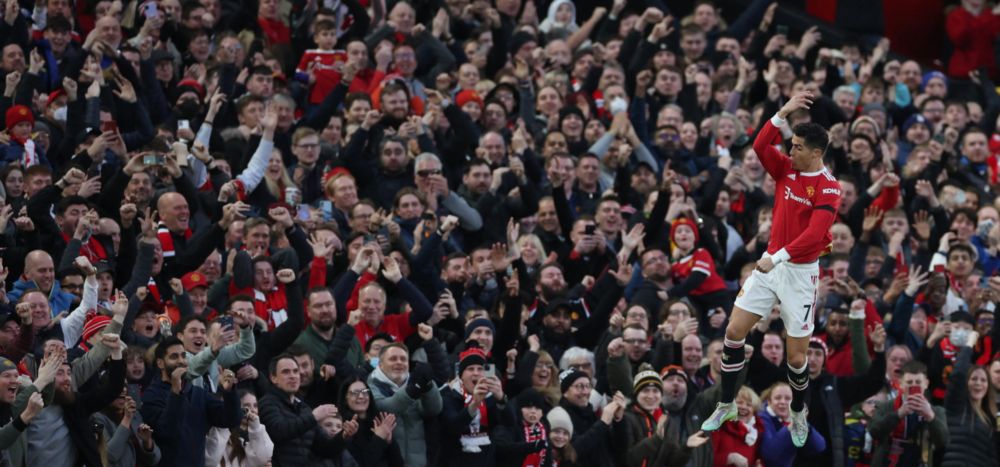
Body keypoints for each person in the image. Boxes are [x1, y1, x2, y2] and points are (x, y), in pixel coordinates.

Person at [703, 91, 843, 448]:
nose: (789, 150)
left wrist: (777, 257)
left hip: (798, 273)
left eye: (797, 147)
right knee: (734, 332)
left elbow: (814, 236)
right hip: (771, 265)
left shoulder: (828, 187)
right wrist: (783, 111)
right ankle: (726, 404)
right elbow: (759, 144)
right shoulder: (785, 168)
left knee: (797, 358)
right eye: (791, 144)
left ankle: (798, 412)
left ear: (816, 153)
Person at [141, 336, 242, 467]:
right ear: (160, 363)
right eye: (174, 357)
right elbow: (168, 431)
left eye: (183, 356)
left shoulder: (198, 393)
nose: (181, 361)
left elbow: (231, 420)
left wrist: (229, 392)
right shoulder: (151, 396)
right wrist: (175, 392)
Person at [259, 353, 351, 466]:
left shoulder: (304, 408)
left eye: (295, 371)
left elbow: (324, 449)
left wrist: (344, 436)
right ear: (274, 378)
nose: (293, 376)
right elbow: (279, 431)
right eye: (286, 372)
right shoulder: (267, 403)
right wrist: (313, 417)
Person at [868, 360, 948, 466]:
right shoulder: (885, 407)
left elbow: (943, 442)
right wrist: (899, 414)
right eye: (909, 382)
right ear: (900, 384)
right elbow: (874, 432)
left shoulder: (937, 411)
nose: (913, 386)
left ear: (926, 384)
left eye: (918, 382)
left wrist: (930, 416)